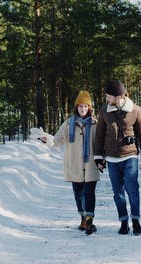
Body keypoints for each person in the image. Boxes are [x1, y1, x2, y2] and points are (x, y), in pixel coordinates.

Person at [37, 91, 100, 235]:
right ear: (76, 108)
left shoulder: (96, 124)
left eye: (85, 106)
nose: (82, 109)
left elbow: (100, 143)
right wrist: (46, 139)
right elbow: (57, 140)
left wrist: (102, 159)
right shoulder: (68, 124)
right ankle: (83, 218)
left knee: (89, 193)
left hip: (90, 165)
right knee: (78, 193)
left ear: (89, 108)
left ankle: (90, 221)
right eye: (80, 106)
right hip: (74, 164)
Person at [93, 80, 141, 235]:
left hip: (129, 155)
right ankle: (124, 222)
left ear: (118, 97)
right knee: (118, 192)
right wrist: (98, 157)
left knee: (132, 189)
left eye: (108, 96)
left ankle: (136, 221)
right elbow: (99, 135)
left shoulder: (136, 110)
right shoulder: (104, 110)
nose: (106, 98)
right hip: (111, 158)